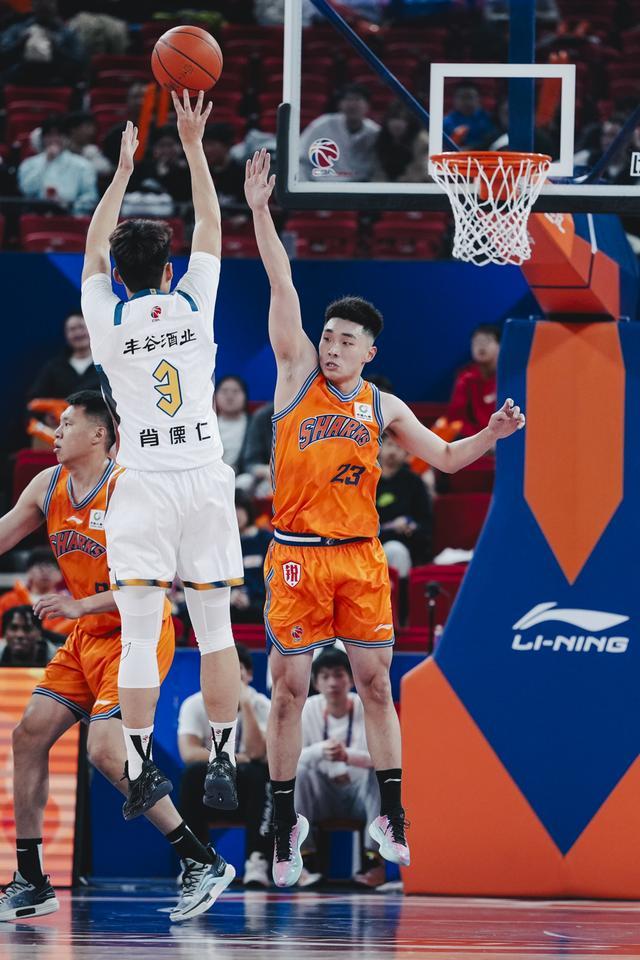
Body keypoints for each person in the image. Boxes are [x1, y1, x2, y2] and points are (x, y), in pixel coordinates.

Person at [244, 148, 525, 887]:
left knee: (375, 684)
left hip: (361, 557)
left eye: (346, 340)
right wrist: (261, 212)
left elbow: (449, 459)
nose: (332, 346)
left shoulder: (383, 405)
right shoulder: (295, 376)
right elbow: (281, 282)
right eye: (328, 336)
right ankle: (284, 822)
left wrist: (492, 433)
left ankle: (392, 815)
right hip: (297, 555)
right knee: (288, 690)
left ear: (370, 351)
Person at [0, 391, 233, 923]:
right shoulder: (48, 486)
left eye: (66, 424)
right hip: (87, 638)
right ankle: (31, 880)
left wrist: (80, 604)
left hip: (138, 634)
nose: (56, 433)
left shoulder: (132, 488)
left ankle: (202, 860)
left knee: (107, 751)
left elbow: (158, 581)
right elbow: (7, 531)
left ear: (99, 434)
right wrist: (81, 611)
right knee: (28, 735)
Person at [80, 97, 243, 826]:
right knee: (216, 630)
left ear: (118, 275)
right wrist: (193, 145)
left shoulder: (110, 320)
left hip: (141, 482)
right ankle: (225, 753)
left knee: (141, 634)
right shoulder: (193, 304)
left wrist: (121, 172)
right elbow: (211, 224)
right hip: (203, 473)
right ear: (170, 269)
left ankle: (142, 762)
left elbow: (92, 250)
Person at [178, 643, 272, 888]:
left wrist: (247, 705)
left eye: (236, 669)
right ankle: (197, 861)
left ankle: (257, 860)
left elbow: (257, 753)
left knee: (260, 773)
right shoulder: (194, 704)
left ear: (248, 675)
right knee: (192, 773)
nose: (229, 675)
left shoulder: (262, 704)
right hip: (210, 792)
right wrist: (232, 758)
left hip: (247, 796)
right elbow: (189, 753)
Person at [297, 647, 384, 888]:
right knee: (299, 772)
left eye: (338, 674)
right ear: (315, 682)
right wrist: (319, 751)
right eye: (325, 676)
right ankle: (305, 860)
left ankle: (373, 861)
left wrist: (347, 756)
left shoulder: (366, 707)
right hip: (322, 796)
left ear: (351, 679)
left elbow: (379, 758)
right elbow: (293, 758)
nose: (333, 683)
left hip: (359, 796)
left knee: (378, 775)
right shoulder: (308, 708)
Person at [17, 114, 98, 216]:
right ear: (42, 138)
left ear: (66, 138)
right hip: (38, 214)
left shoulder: (83, 165)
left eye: (58, 135)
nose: (54, 140)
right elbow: (27, 191)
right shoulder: (28, 164)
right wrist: (46, 162)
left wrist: (70, 207)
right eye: (49, 135)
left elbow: (90, 196)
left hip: (71, 216)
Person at [299, 84, 380, 182]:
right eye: (348, 99)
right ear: (339, 104)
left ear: (368, 106)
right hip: (323, 184)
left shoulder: (375, 132)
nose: (352, 105)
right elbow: (300, 157)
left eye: (357, 99)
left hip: (360, 185)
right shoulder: (322, 124)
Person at [377, 433, 432, 578]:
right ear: (380, 448)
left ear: (406, 452)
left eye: (399, 447)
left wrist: (411, 526)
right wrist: (389, 526)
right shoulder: (367, 478)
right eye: (389, 445)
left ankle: (400, 591)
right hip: (369, 543)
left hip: (403, 544)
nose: (393, 451)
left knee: (396, 551)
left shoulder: (414, 482)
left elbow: (425, 523)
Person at [0, 0, 85, 87]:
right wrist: (20, 45)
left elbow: (80, 65)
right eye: (40, 1)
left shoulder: (68, 34)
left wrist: (57, 49)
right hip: (19, 82)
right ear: (32, 5)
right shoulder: (17, 30)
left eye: (48, 1)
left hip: (57, 84)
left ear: (55, 5)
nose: (44, 3)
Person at [0, 546, 73, 638]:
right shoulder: (8, 600)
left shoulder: (69, 603)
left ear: (61, 574)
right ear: (29, 571)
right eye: (40, 567)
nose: (45, 572)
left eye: (52, 567)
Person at [28, 313, 99, 401]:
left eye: (82, 327)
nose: (78, 333)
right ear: (66, 335)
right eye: (72, 329)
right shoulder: (54, 367)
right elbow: (35, 400)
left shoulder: (104, 364)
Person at [448, 324, 500, 438]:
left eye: (487, 341)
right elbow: (457, 419)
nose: (481, 346)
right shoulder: (465, 378)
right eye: (476, 342)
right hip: (475, 443)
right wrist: (480, 440)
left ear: (500, 346)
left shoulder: (512, 377)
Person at [232, 491, 272, 623]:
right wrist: (233, 594)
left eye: (239, 508)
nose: (236, 514)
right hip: (232, 602)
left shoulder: (266, 539)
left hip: (260, 601)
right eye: (231, 509)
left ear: (248, 509)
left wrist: (249, 594)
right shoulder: (226, 544)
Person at [373, 101, 429, 183]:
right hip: (386, 186)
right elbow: (378, 172)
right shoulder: (381, 139)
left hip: (416, 186)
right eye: (393, 119)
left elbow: (422, 172)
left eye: (402, 119)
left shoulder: (422, 141)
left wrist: (401, 182)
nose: (396, 123)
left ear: (410, 122)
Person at [215, 375, 252, 476]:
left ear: (245, 396)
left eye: (235, 391)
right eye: (224, 391)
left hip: (244, 477)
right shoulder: (207, 425)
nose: (230, 396)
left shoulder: (254, 424)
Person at [203, 123, 246, 208]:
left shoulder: (242, 175)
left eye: (211, 144)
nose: (206, 149)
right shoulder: (199, 172)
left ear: (226, 146)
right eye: (204, 145)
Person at [443, 82, 497, 150]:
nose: (467, 102)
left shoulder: (491, 119)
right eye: (462, 97)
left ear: (479, 98)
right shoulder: (445, 122)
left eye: (470, 97)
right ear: (454, 99)